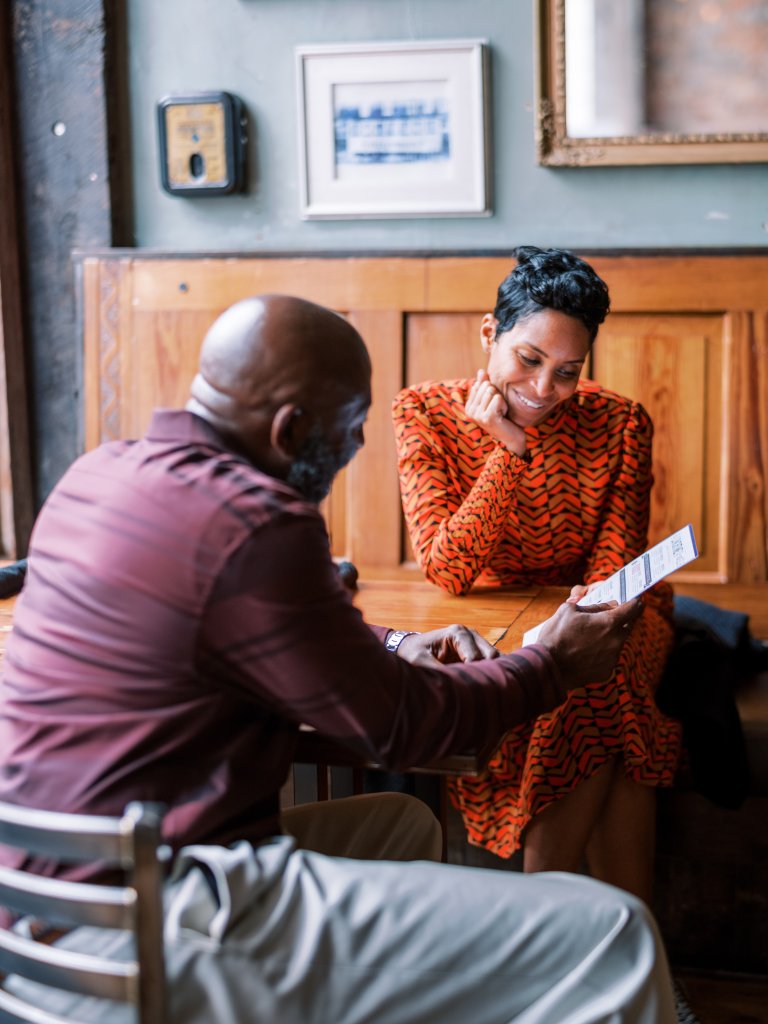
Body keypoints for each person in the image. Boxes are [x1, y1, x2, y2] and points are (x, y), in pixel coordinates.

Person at [0, 294, 677, 1023]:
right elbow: (400, 729)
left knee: (399, 826)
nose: (356, 445)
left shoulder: (100, 475)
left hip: (36, 908)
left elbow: (236, 629)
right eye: (349, 426)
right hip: (155, 923)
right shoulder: (259, 520)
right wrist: (548, 667)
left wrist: (390, 643)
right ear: (291, 429)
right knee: (612, 932)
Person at [393, 246, 683, 904]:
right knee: (598, 706)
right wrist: (509, 452)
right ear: (490, 333)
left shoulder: (620, 422)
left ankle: (541, 940)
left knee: (592, 680)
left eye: (567, 372)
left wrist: (584, 614)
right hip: (492, 614)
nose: (544, 389)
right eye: (529, 359)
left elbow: (615, 568)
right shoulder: (424, 414)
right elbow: (447, 565)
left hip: (617, 611)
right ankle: (641, 969)